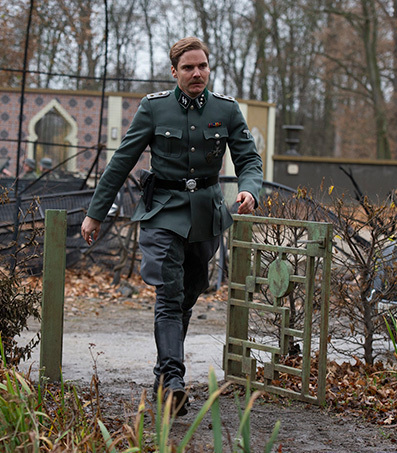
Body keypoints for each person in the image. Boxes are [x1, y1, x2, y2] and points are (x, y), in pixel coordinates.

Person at [81, 37, 263, 416]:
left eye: (202, 67)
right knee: (168, 295)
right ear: (174, 71)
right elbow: (121, 161)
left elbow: (249, 160)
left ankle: (163, 377)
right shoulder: (154, 109)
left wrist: (249, 191)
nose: (197, 74)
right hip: (162, 212)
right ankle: (174, 380)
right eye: (188, 68)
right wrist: (95, 213)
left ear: (208, 68)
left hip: (205, 216)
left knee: (187, 295)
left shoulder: (226, 111)